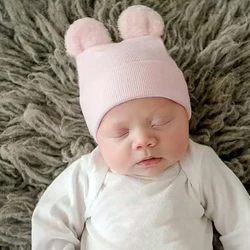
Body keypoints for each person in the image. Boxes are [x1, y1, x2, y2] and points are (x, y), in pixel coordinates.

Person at [31, 5, 250, 250]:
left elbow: (241, 222)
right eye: (121, 133)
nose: (143, 140)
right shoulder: (90, 174)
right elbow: (51, 224)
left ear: (185, 118)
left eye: (161, 123)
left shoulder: (198, 164)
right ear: (98, 139)